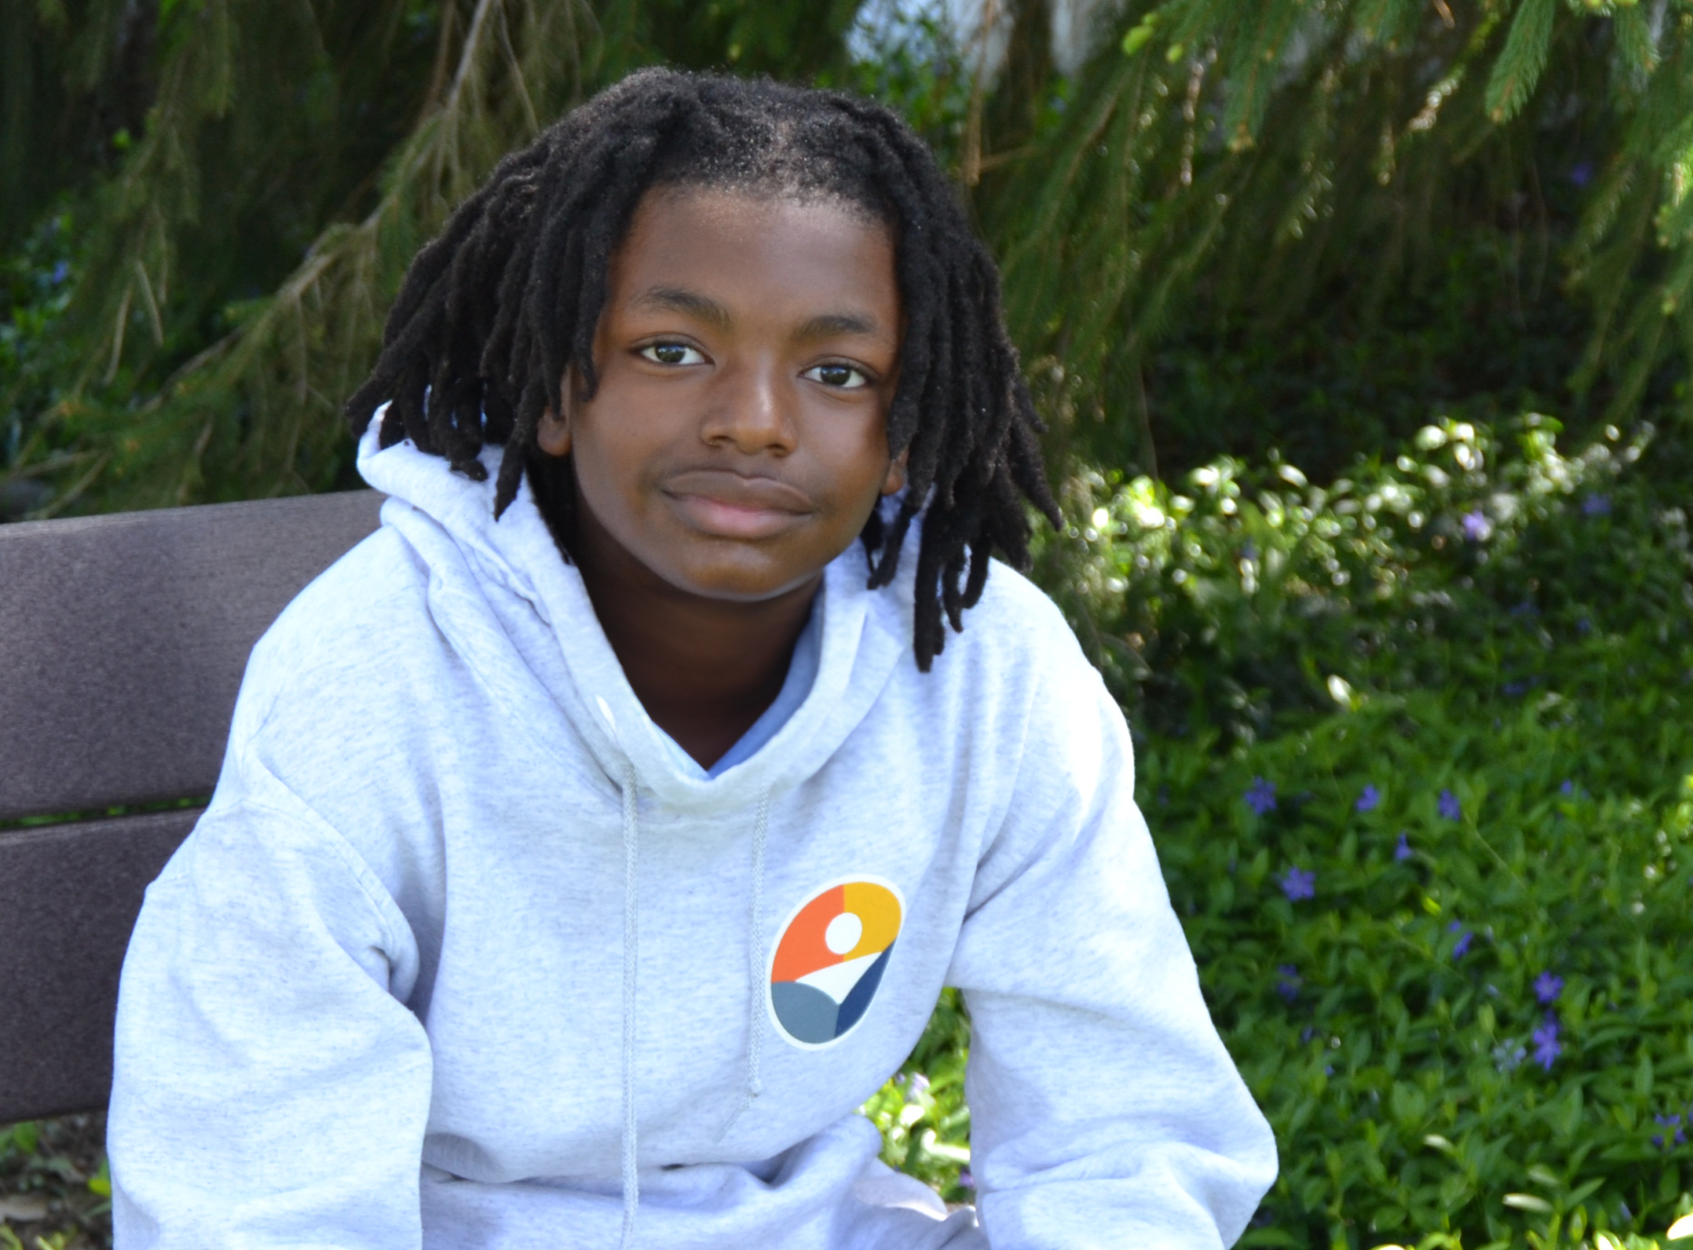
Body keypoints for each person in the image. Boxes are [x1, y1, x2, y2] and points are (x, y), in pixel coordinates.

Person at [106, 69, 1277, 1250]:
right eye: (671, 349)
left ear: (906, 431)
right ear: (561, 388)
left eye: (836, 374)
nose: (755, 419)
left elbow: (1122, 1130)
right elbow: (251, 1198)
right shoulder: (375, 679)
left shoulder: (987, 675)